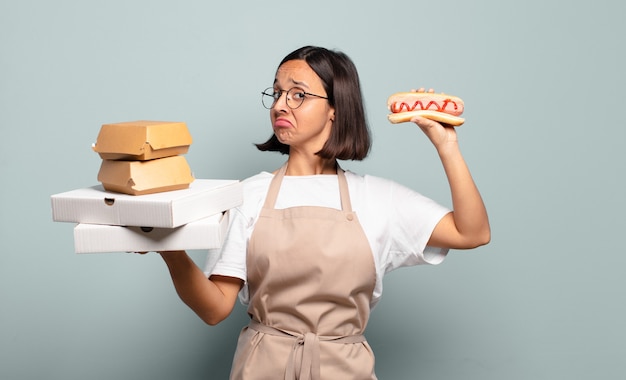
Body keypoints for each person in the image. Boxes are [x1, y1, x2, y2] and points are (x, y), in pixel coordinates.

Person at [156, 45, 490, 379]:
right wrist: (170, 251)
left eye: (298, 94)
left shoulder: (377, 198)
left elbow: (472, 232)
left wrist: (446, 146)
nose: (280, 105)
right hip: (262, 368)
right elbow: (214, 309)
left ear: (335, 108)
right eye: (277, 93)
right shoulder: (247, 195)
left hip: (345, 369)